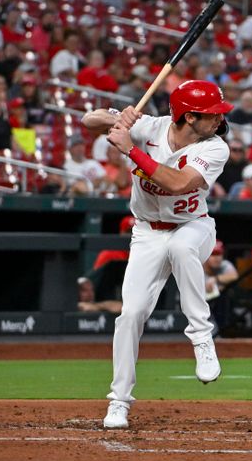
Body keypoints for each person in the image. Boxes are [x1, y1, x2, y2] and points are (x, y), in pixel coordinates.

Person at [82, 80, 233, 429]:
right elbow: (89, 121)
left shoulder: (215, 148)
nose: (219, 121)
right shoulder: (148, 127)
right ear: (189, 116)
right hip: (147, 231)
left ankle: (201, 335)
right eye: (211, 115)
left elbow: (178, 183)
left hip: (193, 226)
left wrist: (130, 151)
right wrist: (117, 118)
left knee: (182, 248)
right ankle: (118, 402)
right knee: (131, 314)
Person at [203, 240, 238, 333]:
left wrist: (216, 279)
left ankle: (224, 331)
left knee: (225, 295)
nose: (217, 258)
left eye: (219, 254)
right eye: (213, 254)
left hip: (214, 309)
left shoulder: (224, 264)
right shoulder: (196, 266)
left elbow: (234, 276)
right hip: (194, 311)